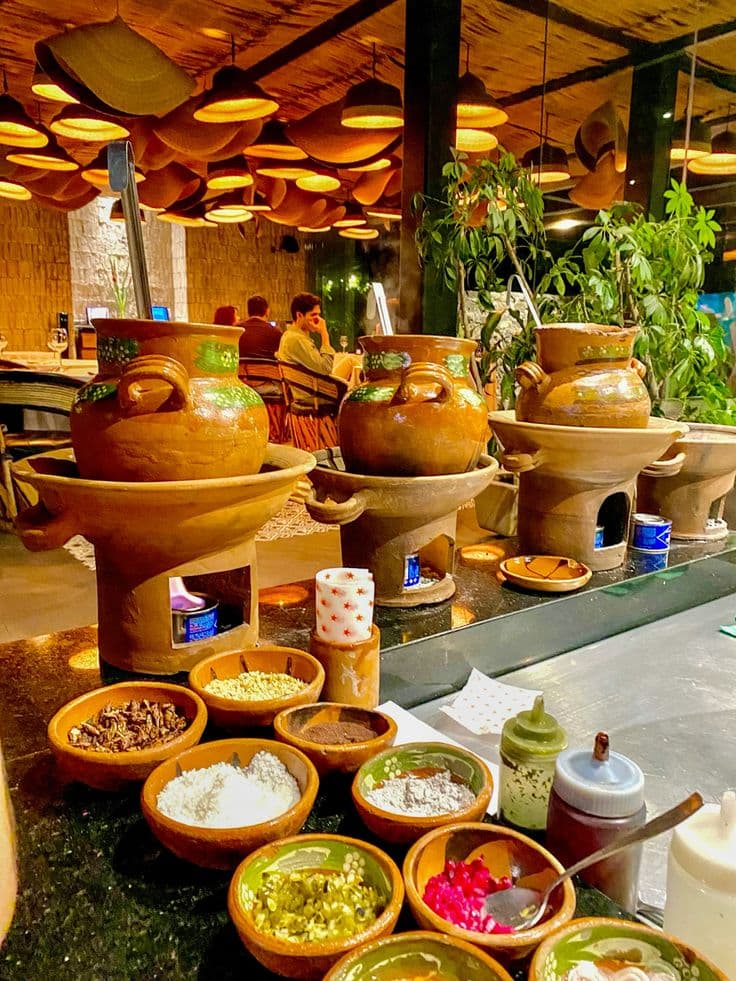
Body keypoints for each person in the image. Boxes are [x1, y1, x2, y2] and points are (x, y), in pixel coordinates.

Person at [277, 292, 335, 375]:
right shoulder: (297, 340)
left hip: (312, 382)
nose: (318, 320)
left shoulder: (288, 334)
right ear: (299, 315)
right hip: (319, 386)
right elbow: (326, 368)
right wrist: (324, 333)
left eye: (319, 315)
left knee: (349, 361)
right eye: (313, 315)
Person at [237, 295, 282, 359]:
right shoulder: (276, 332)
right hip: (268, 368)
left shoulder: (236, 330)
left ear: (248, 311)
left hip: (241, 368)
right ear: (267, 311)